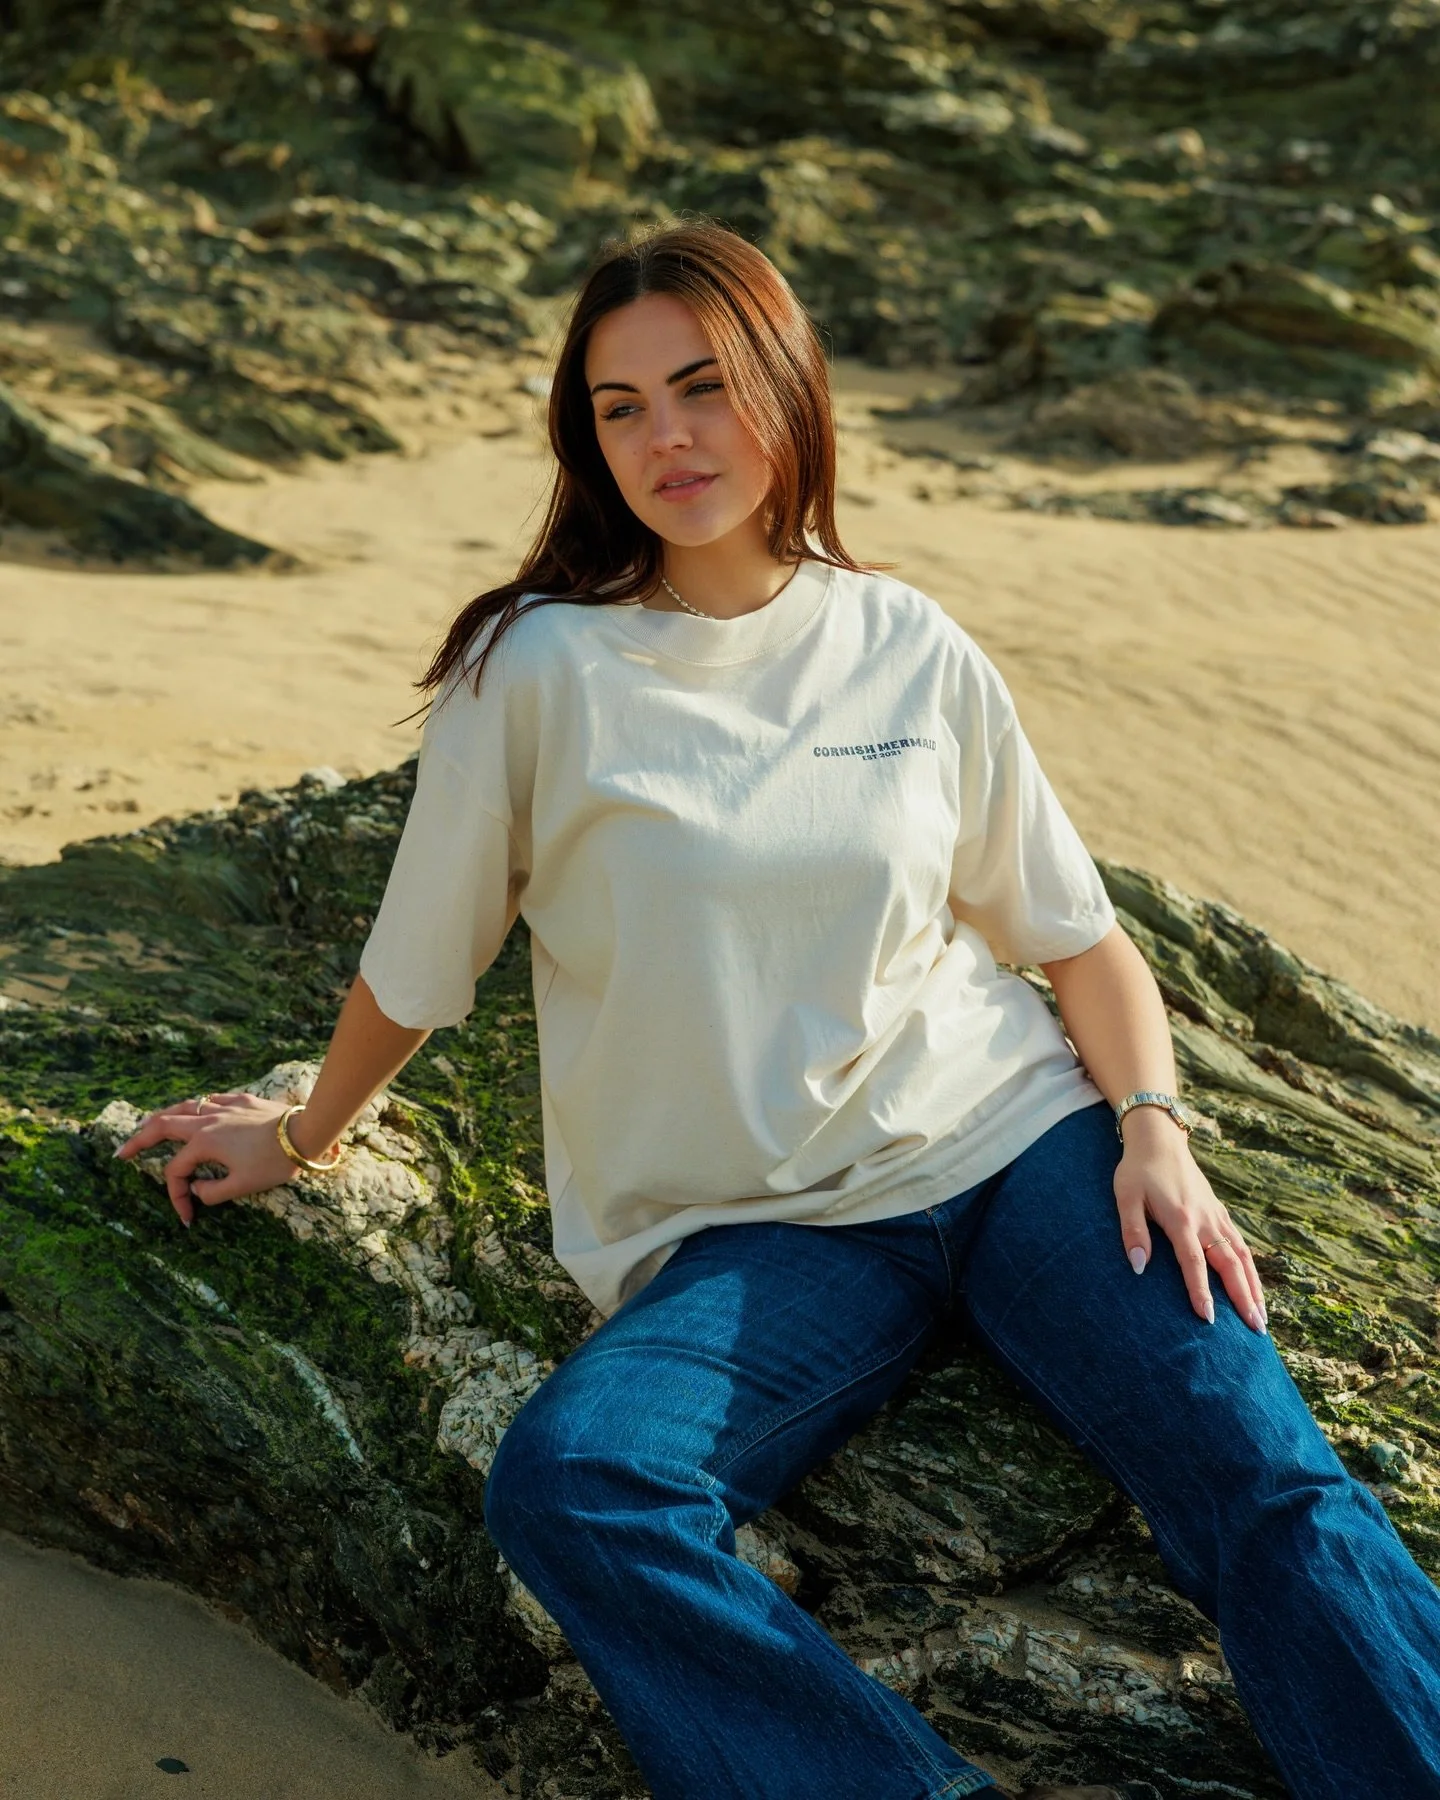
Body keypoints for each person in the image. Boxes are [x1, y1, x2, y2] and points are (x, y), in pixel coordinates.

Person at [117, 222, 1440, 1800]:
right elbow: (418, 966)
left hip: (1021, 1148)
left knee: (1266, 1476)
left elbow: (1078, 943)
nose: (666, 437)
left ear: (784, 389)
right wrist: (304, 1132)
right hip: (765, 1237)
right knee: (578, 1484)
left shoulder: (905, 641)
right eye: (619, 408)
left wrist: (1153, 1131)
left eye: (701, 386)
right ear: (584, 441)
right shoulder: (534, 669)